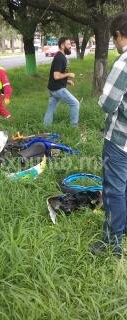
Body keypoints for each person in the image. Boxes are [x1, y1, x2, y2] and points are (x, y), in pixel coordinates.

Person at [90, 12, 127, 259]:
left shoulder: (123, 62)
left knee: (114, 191)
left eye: (114, 40)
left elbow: (107, 103)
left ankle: (112, 246)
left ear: (117, 35)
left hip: (120, 140)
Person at [43, 37, 80, 126]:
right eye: (68, 44)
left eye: (70, 44)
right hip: (57, 89)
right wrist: (68, 74)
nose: (70, 46)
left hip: (52, 88)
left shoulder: (60, 56)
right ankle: (74, 127)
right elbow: (56, 76)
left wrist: (66, 81)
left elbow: (56, 75)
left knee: (50, 110)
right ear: (62, 46)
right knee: (75, 103)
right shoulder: (60, 58)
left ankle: (45, 128)